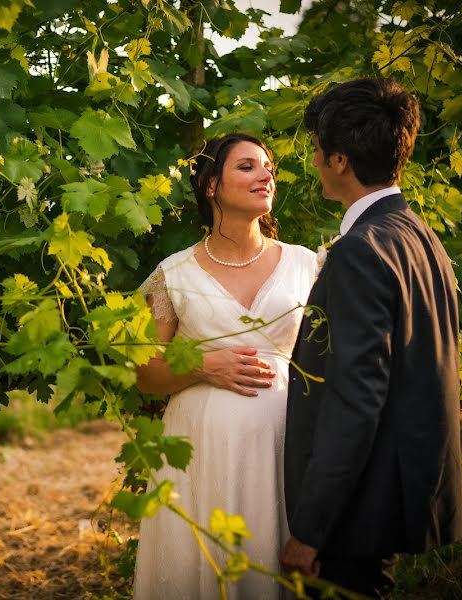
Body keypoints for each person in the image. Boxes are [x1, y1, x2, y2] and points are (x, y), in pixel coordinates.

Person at [279, 78, 462, 598]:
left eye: (317, 151)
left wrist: (310, 529)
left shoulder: (361, 249)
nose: (314, 162)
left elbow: (356, 396)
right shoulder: (417, 234)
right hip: (401, 486)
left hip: (360, 503)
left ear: (339, 160)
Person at [132, 132, 317, 599]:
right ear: (211, 186)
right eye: (248, 166)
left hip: (283, 446)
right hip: (200, 451)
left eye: (268, 166)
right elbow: (146, 376)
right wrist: (199, 367)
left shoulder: (307, 266)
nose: (265, 174)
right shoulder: (173, 273)